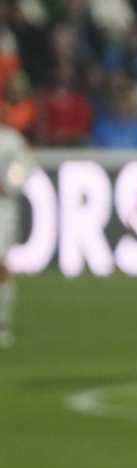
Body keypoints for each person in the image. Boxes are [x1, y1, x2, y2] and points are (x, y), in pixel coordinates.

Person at [0, 119, 32, 349]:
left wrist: (9, 185)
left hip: (2, 208)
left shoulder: (10, 139)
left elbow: (25, 165)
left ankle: (2, 322)